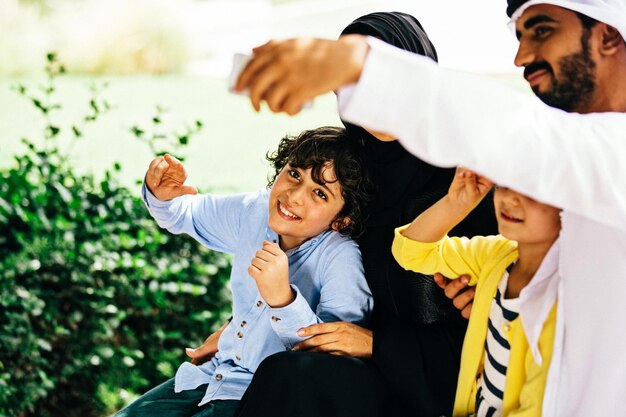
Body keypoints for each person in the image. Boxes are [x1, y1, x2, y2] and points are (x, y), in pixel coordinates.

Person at [234, 1, 626, 415]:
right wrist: (242, 329)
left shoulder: (496, 176)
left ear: (608, 35)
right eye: (519, 36)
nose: (521, 57)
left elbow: (525, 136)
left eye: (542, 30)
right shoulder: (354, 173)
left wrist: (360, 64)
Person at [231, 12, 498, 417]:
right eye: (353, 81)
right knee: (292, 374)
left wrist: (377, 343)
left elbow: (488, 322)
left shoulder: (470, 183)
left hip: (439, 384)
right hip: (348, 368)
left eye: (384, 78)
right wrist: (243, 328)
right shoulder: (345, 177)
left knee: (297, 376)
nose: (370, 98)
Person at [113, 126, 374, 417]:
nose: (294, 196)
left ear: (342, 219)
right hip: (211, 375)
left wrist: (282, 299)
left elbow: (329, 360)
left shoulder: (341, 258)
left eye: (319, 193)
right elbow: (184, 213)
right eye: (295, 174)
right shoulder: (255, 210)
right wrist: (161, 195)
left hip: (262, 396)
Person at [393, 167, 561, 416]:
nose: (510, 198)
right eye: (505, 184)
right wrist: (455, 204)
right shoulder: (497, 256)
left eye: (532, 191)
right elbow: (411, 253)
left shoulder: (565, 298)